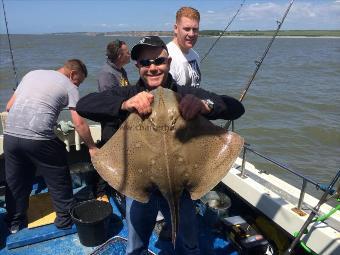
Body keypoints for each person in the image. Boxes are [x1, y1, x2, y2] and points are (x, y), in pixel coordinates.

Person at [76, 36, 244, 255]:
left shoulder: (186, 94)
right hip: (138, 186)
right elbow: (84, 105)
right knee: (135, 246)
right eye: (146, 63)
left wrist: (206, 106)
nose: (152, 67)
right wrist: (124, 104)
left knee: (189, 244)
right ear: (137, 66)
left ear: (169, 62)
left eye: (159, 61)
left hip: (183, 188)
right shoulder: (129, 94)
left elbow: (235, 108)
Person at [4, 59, 97, 234]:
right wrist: (91, 146)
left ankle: (14, 223)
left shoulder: (31, 74)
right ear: (73, 74)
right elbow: (78, 122)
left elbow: (9, 107)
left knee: (16, 181)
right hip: (39, 139)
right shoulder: (70, 86)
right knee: (58, 176)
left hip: (10, 136)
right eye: (79, 81)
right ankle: (64, 220)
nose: (78, 84)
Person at [94, 39, 131, 202]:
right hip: (111, 124)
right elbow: (108, 102)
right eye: (127, 52)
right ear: (119, 55)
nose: (130, 54)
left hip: (123, 122)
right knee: (109, 156)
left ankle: (121, 186)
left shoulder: (121, 71)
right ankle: (101, 192)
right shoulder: (106, 73)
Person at [167, 6, 201, 87]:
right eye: (187, 29)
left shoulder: (195, 56)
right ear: (176, 28)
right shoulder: (167, 56)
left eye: (195, 29)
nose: (191, 34)